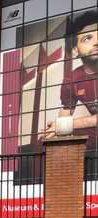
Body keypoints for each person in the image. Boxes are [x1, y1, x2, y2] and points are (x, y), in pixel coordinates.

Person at [43, 10, 97, 150]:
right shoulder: (72, 79)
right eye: (87, 38)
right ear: (75, 49)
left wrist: (64, 125)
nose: (96, 43)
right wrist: (55, 128)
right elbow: (66, 111)